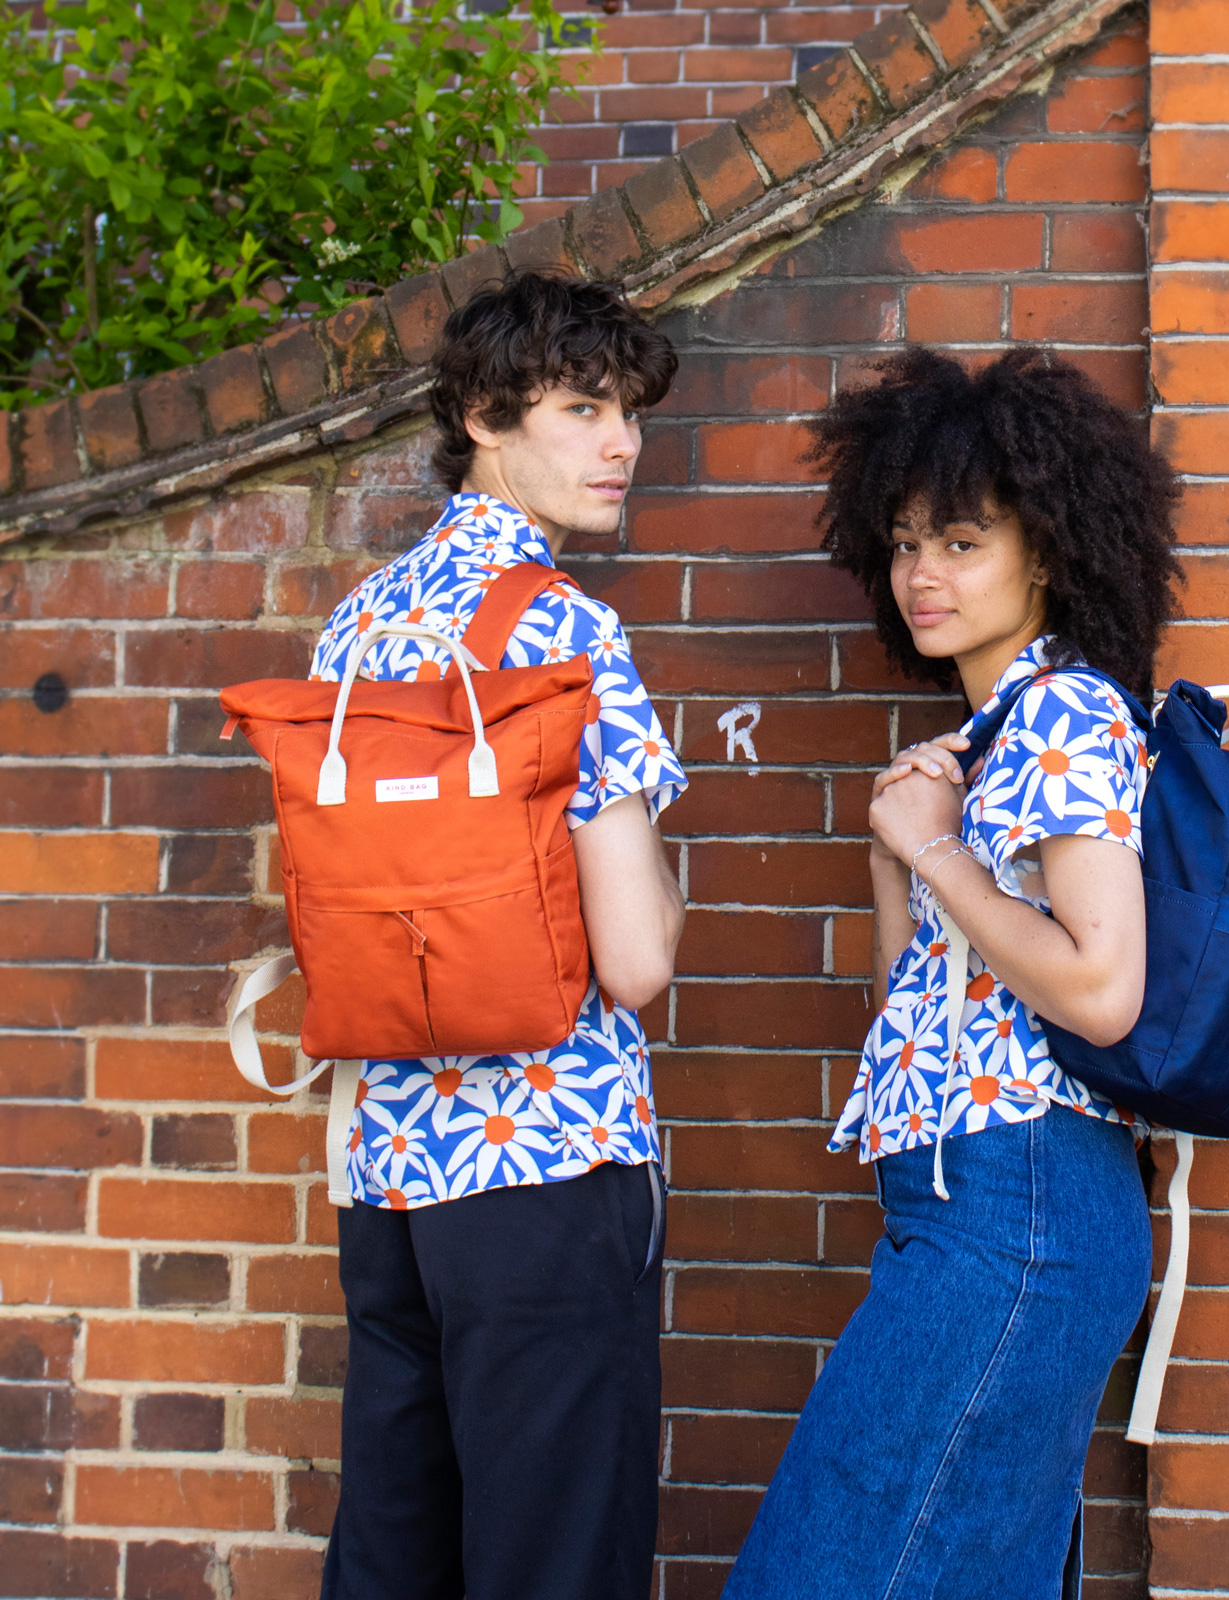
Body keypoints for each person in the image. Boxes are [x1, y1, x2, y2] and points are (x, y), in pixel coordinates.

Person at [722, 348, 1183, 1600]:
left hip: (1016, 1208)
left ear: (1046, 554)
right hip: (970, 1203)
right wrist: (906, 863)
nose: (922, 574)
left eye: (963, 543)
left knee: (823, 1573)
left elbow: (1100, 987)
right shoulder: (988, 740)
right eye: (907, 542)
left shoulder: (1063, 715)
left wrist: (932, 848)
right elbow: (924, 1017)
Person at [309, 271, 685, 1600]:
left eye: (628, 412)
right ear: (482, 413)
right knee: (553, 1559)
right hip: (549, 1157)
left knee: (397, 1545)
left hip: (391, 1167)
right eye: (583, 409)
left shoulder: (353, 630)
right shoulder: (566, 633)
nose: (619, 444)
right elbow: (633, 960)